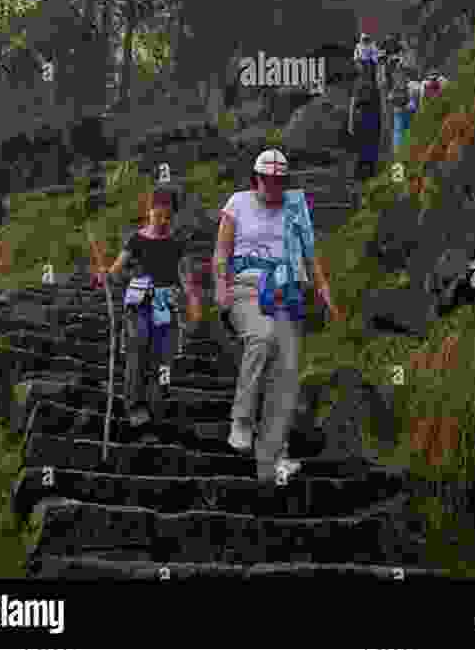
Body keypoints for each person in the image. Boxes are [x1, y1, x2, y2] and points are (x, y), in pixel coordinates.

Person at [212, 149, 343, 485]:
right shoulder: (237, 203)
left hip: (286, 292)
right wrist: (220, 286)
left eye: (278, 181)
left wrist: (324, 289)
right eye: (266, 180)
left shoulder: (295, 207)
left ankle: (269, 468)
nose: (272, 187)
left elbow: (311, 255)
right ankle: (241, 419)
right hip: (247, 287)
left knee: (285, 377)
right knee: (262, 336)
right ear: (256, 178)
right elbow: (221, 252)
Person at [105, 188, 203, 438]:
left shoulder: (177, 245)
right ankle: (135, 406)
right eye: (157, 216)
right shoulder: (136, 241)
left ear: (173, 216)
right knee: (138, 348)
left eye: (167, 217)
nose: (161, 222)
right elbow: (116, 270)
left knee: (163, 357)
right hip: (139, 303)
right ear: (149, 213)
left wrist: (193, 305)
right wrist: (108, 276)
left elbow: (188, 280)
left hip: (166, 305)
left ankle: (156, 404)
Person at [348, 74, 381, 181]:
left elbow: (378, 104)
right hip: (362, 117)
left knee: (371, 146)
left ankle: (370, 172)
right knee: (361, 148)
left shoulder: (375, 81)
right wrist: (351, 123)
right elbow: (353, 104)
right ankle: (360, 173)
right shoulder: (358, 83)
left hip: (372, 117)